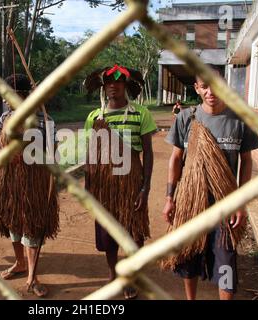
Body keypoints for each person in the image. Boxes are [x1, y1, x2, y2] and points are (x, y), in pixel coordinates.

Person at [161, 66, 258, 300]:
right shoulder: (187, 118)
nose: (210, 91)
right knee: (189, 254)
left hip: (224, 201)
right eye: (204, 86)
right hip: (190, 200)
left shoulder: (240, 119)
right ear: (197, 88)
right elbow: (176, 159)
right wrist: (169, 198)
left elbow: (246, 163)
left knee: (225, 258)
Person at [83, 64, 157, 299]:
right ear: (103, 87)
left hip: (132, 180)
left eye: (118, 82)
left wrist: (145, 187)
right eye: (108, 82)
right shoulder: (95, 117)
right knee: (108, 232)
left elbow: (148, 152)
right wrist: (89, 186)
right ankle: (113, 273)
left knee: (134, 232)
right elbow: (90, 153)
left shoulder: (141, 114)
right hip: (104, 184)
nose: (113, 86)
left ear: (126, 85)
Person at [0, 74, 59, 298]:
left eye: (9, 94)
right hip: (9, 180)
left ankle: (32, 277)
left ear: (22, 95)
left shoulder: (43, 119)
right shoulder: (5, 118)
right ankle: (19, 263)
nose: (5, 99)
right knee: (13, 223)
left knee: (32, 226)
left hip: (34, 182)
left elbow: (52, 153)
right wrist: (4, 155)